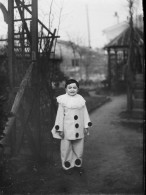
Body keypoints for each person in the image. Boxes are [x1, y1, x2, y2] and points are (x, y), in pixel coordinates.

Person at [51, 79, 92, 175]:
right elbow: (59, 115)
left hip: (79, 128)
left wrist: (86, 126)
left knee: (79, 147)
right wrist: (60, 129)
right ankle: (67, 165)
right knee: (66, 148)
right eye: (69, 87)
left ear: (78, 89)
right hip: (67, 129)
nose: (72, 89)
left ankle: (78, 164)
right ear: (65, 89)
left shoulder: (81, 99)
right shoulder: (62, 100)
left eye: (74, 87)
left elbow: (85, 113)